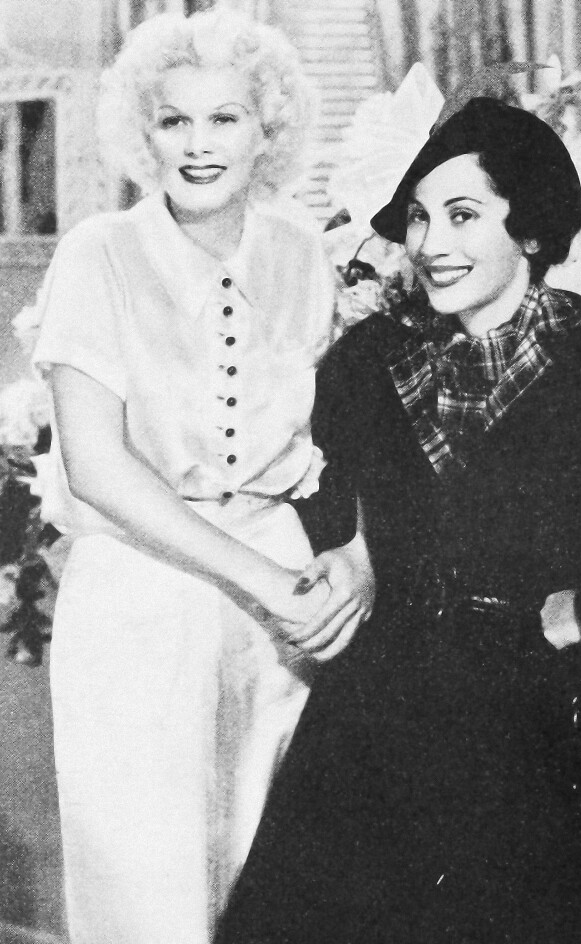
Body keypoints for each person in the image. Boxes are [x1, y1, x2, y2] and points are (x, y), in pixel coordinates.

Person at [32, 10, 373, 944]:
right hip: (139, 589)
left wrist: (355, 560)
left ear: (269, 130)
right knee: (146, 891)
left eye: (225, 118)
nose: (198, 144)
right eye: (173, 120)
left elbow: (349, 441)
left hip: (283, 606)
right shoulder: (98, 253)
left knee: (269, 881)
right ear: (142, 134)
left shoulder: (304, 254)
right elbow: (97, 467)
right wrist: (265, 579)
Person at [216, 97, 581, 944]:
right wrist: (352, 559)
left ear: (530, 230)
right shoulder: (366, 361)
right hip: (377, 720)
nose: (430, 243)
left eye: (463, 215)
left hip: (538, 728)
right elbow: (341, 520)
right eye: (418, 218)